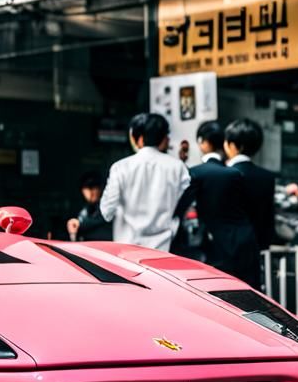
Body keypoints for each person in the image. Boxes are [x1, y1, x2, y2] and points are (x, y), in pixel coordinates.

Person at [178, 121, 259, 286]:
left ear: (203, 143)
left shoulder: (196, 172)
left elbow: (181, 207)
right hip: (244, 242)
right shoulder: (234, 173)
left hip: (214, 245)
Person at [100, 113, 191, 251]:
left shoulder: (120, 167)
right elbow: (186, 207)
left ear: (138, 138)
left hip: (127, 249)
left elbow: (107, 212)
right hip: (164, 248)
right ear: (163, 137)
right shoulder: (178, 167)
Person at [224, 118, 277, 255]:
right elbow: (268, 219)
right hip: (257, 249)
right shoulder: (267, 177)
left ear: (233, 145)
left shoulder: (224, 175)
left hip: (227, 250)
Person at [66, 172, 113, 241]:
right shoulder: (83, 210)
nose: (90, 192)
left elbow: (102, 218)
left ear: (101, 188)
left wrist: (79, 224)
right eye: (86, 188)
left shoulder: (108, 206)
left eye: (94, 187)